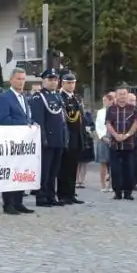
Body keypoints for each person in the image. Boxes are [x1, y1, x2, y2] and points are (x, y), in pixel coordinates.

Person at [0, 69, 34, 215]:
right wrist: (23, 124)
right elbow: (3, 119)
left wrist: (32, 123)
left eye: (23, 79)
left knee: (21, 170)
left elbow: (26, 117)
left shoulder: (24, 97)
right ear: (11, 80)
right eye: (18, 79)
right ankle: (8, 203)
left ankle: (18, 202)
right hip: (10, 140)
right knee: (11, 171)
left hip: (23, 142)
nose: (21, 81)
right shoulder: (5, 97)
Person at [29, 70, 68, 207]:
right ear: (44, 81)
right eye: (50, 79)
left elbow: (62, 120)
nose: (53, 82)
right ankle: (42, 196)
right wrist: (42, 138)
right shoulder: (39, 98)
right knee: (44, 170)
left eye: (55, 80)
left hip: (58, 138)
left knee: (54, 170)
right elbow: (39, 120)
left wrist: (64, 137)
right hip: (47, 139)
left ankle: (51, 195)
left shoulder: (57, 96)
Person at [57, 72, 87, 205]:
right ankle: (63, 194)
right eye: (68, 82)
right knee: (64, 168)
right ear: (62, 83)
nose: (71, 85)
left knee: (73, 167)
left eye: (73, 82)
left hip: (77, 137)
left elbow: (81, 119)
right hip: (67, 137)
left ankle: (71, 193)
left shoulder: (76, 98)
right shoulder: (60, 97)